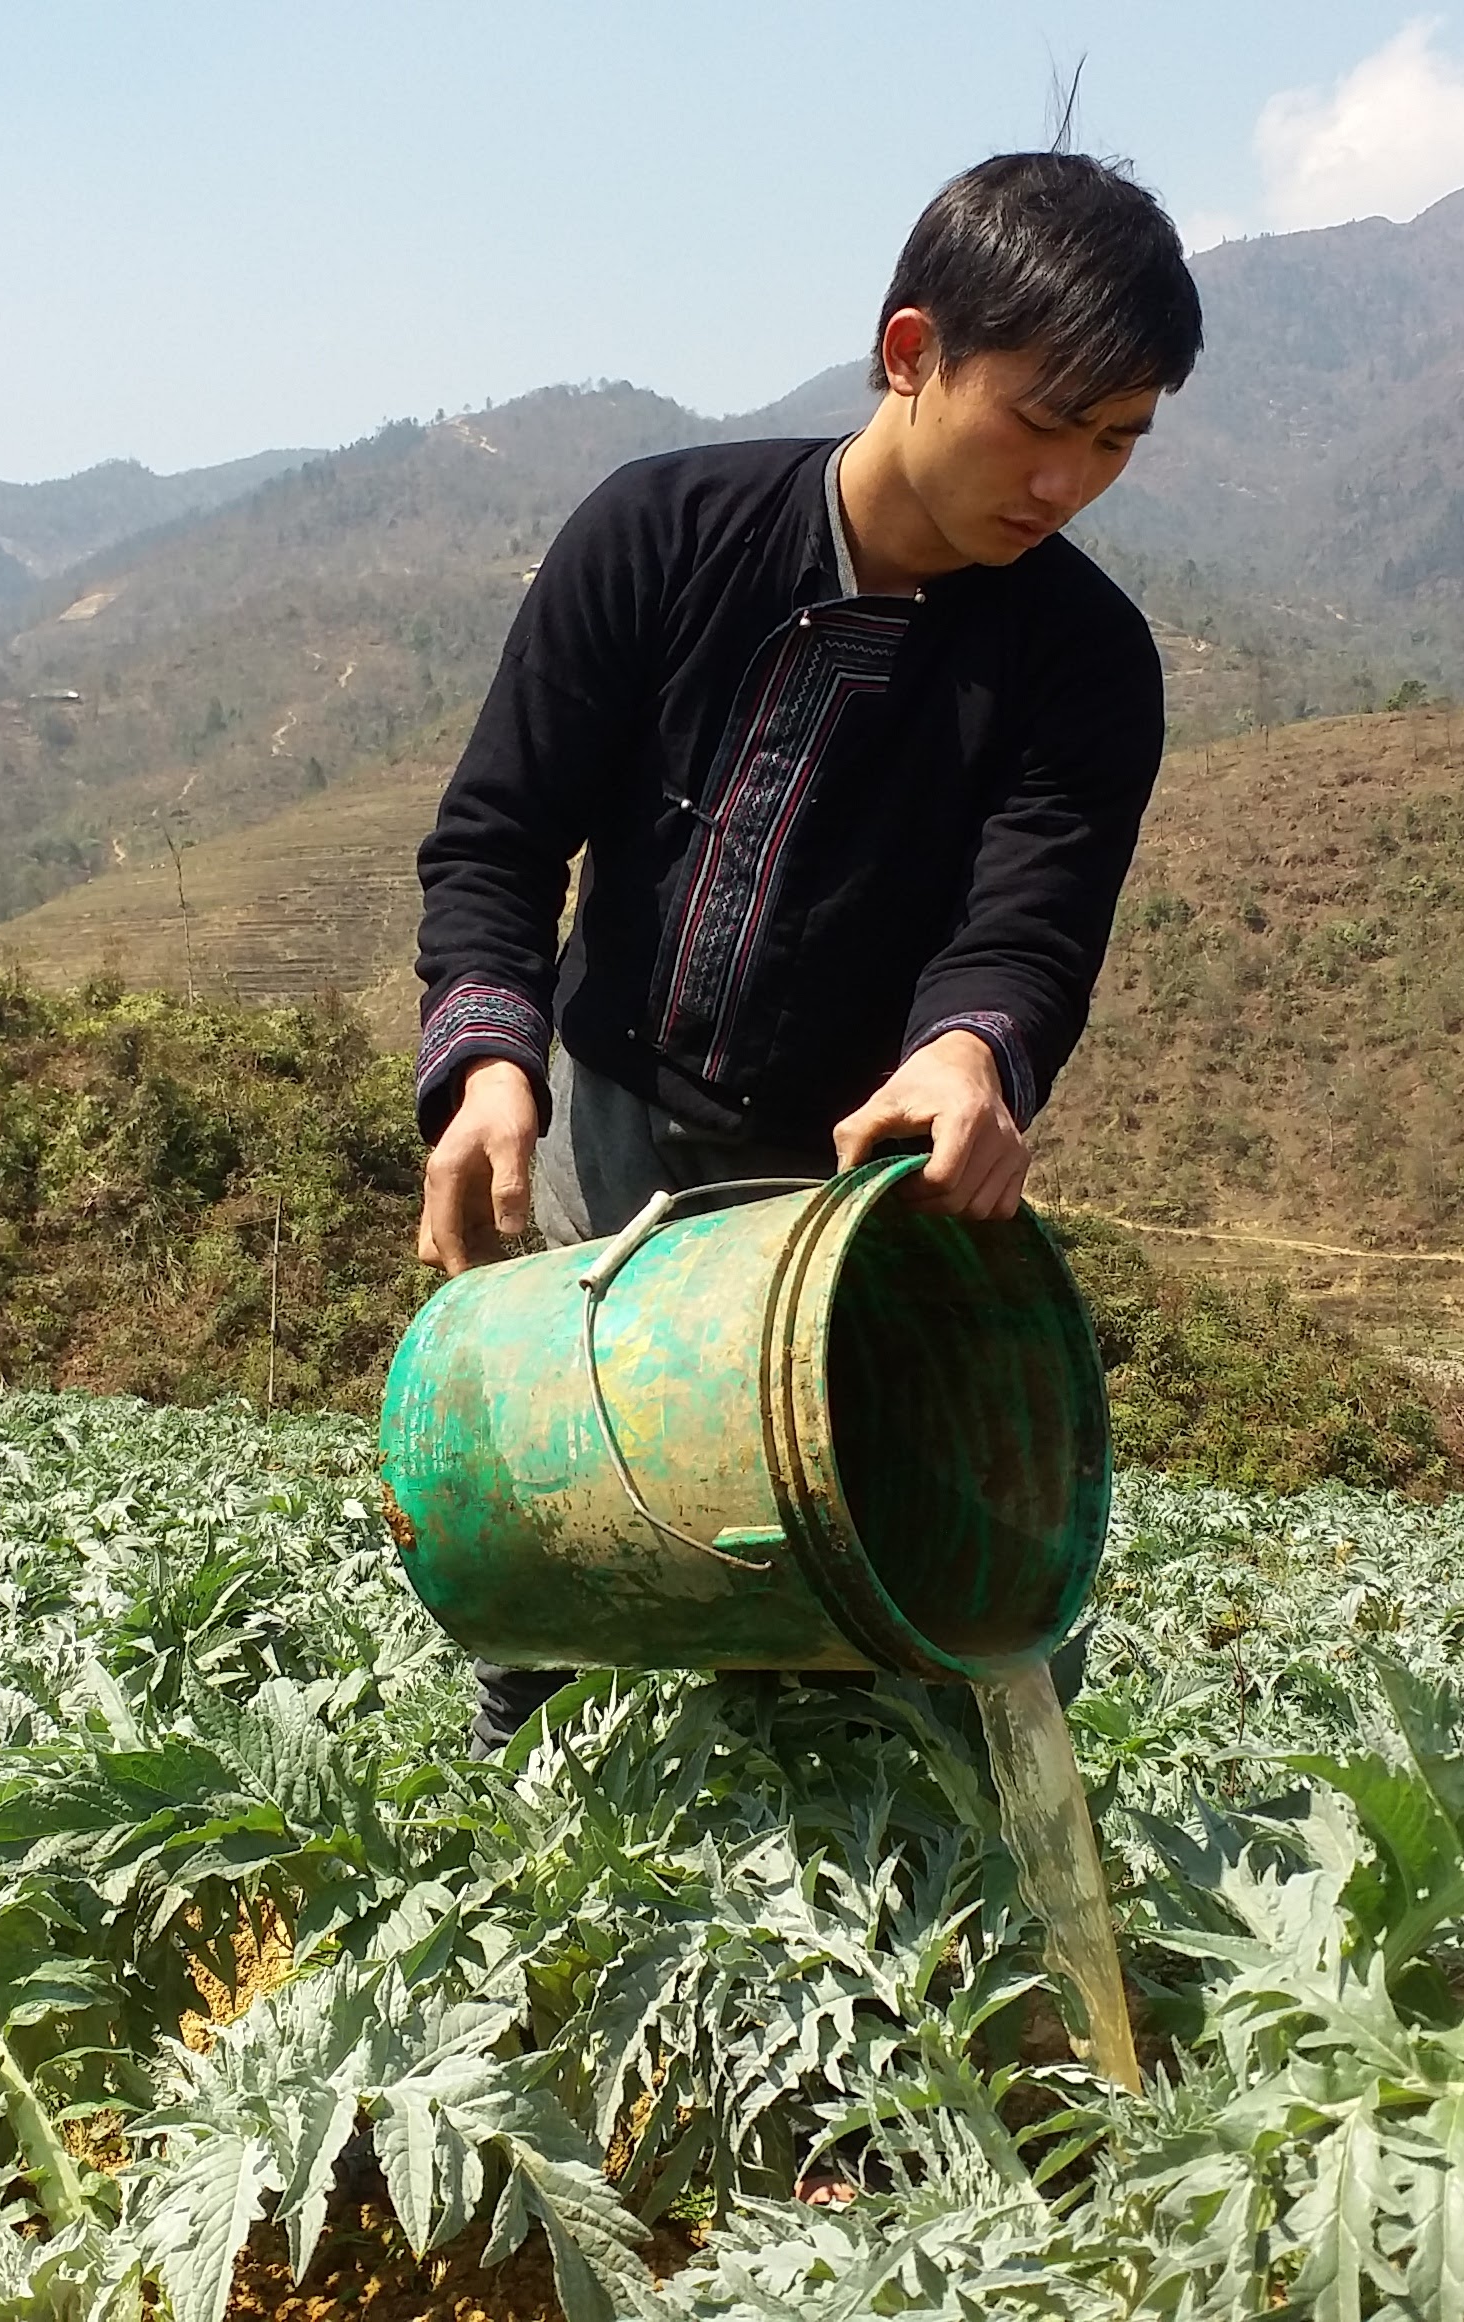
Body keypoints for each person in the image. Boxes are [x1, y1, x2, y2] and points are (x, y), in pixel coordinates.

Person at [408, 149, 1203, 1752]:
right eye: (1043, 420)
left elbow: (1028, 921)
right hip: (604, 1146)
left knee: (891, 1636)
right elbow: (498, 835)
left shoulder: (1086, 665)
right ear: (912, 352)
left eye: (1116, 441)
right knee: (548, 1585)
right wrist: (491, 1067)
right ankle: (509, 1908)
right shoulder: (661, 535)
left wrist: (969, 1048)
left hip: (848, 1210)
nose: (1066, 483)